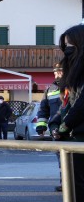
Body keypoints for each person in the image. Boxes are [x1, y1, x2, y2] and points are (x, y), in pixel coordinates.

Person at [50, 24, 84, 202]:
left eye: (71, 45)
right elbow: (69, 102)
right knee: (75, 187)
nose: (67, 49)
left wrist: (65, 125)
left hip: (79, 136)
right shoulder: (74, 71)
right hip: (74, 136)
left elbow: (82, 103)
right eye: (65, 46)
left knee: (78, 188)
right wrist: (57, 123)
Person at [37, 62, 64, 192]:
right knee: (61, 159)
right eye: (55, 72)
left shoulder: (74, 86)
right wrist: (41, 126)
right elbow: (43, 110)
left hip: (72, 129)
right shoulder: (50, 90)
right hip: (55, 130)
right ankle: (64, 182)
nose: (56, 74)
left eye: (59, 71)